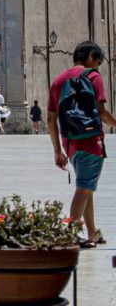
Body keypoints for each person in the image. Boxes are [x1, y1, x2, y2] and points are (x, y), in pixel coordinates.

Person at [48, 42, 116, 248]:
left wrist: (58, 151)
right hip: (91, 142)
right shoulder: (93, 77)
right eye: (97, 62)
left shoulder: (59, 80)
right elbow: (102, 112)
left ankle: (92, 232)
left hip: (71, 145)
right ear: (89, 58)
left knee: (86, 187)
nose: (97, 67)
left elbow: (51, 118)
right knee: (84, 188)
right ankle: (70, 234)